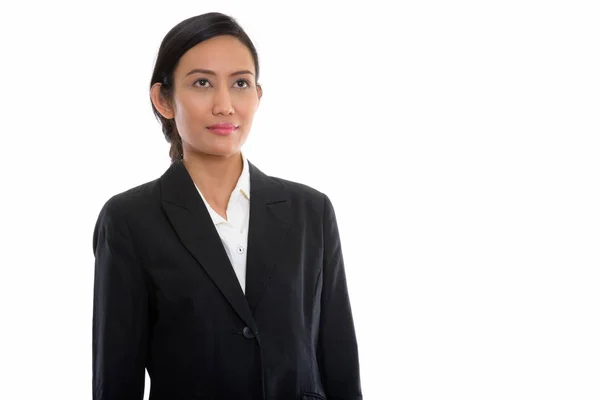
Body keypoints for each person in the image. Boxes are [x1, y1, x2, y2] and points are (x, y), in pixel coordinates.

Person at [92, 12, 362, 400]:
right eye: (202, 83)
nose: (225, 105)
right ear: (164, 100)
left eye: (240, 83)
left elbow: (339, 363)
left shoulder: (311, 212)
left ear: (258, 95)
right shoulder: (130, 219)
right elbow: (117, 378)